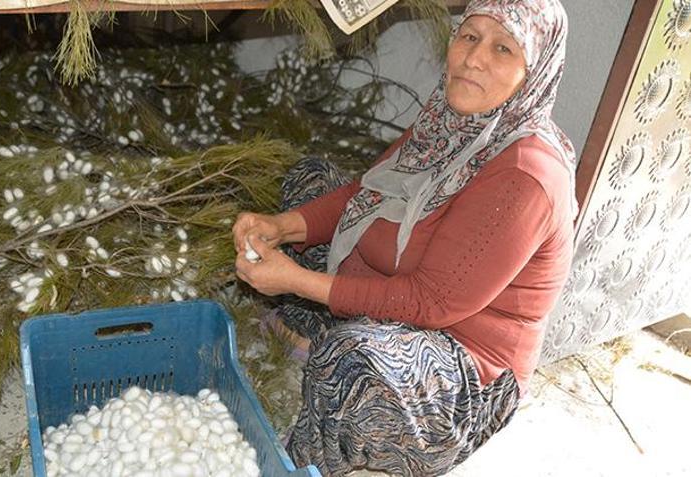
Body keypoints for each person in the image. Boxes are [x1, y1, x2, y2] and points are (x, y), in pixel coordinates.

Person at [233, 0, 577, 475]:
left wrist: (296, 281)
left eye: (503, 48)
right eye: (469, 36)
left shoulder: (524, 176)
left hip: (460, 368)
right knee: (312, 180)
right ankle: (326, 333)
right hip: (401, 293)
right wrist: (281, 225)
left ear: (533, 71)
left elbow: (430, 303)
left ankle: (312, 440)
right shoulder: (449, 120)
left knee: (355, 362)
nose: (474, 58)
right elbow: (364, 195)